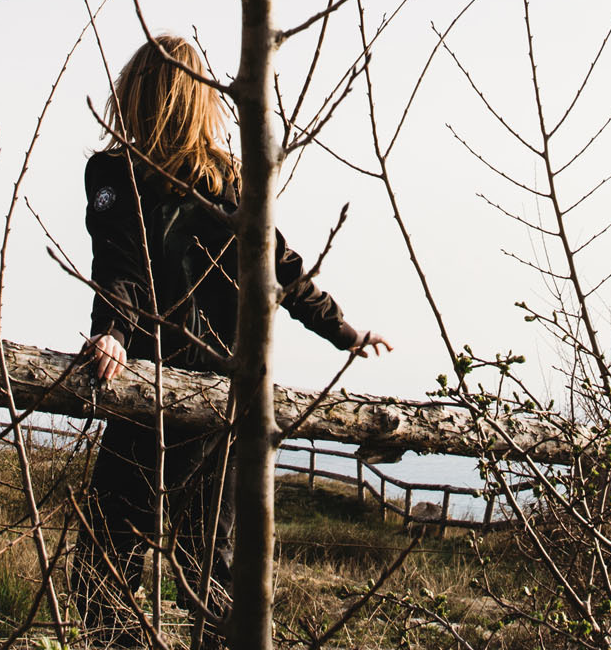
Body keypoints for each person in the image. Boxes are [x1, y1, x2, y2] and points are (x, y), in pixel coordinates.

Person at [71, 35, 389, 647]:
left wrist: (341, 330)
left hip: (205, 397)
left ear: (143, 95)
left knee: (198, 572)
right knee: (118, 569)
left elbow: (276, 265)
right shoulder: (118, 174)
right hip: (153, 387)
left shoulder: (226, 181)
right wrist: (111, 333)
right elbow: (122, 265)